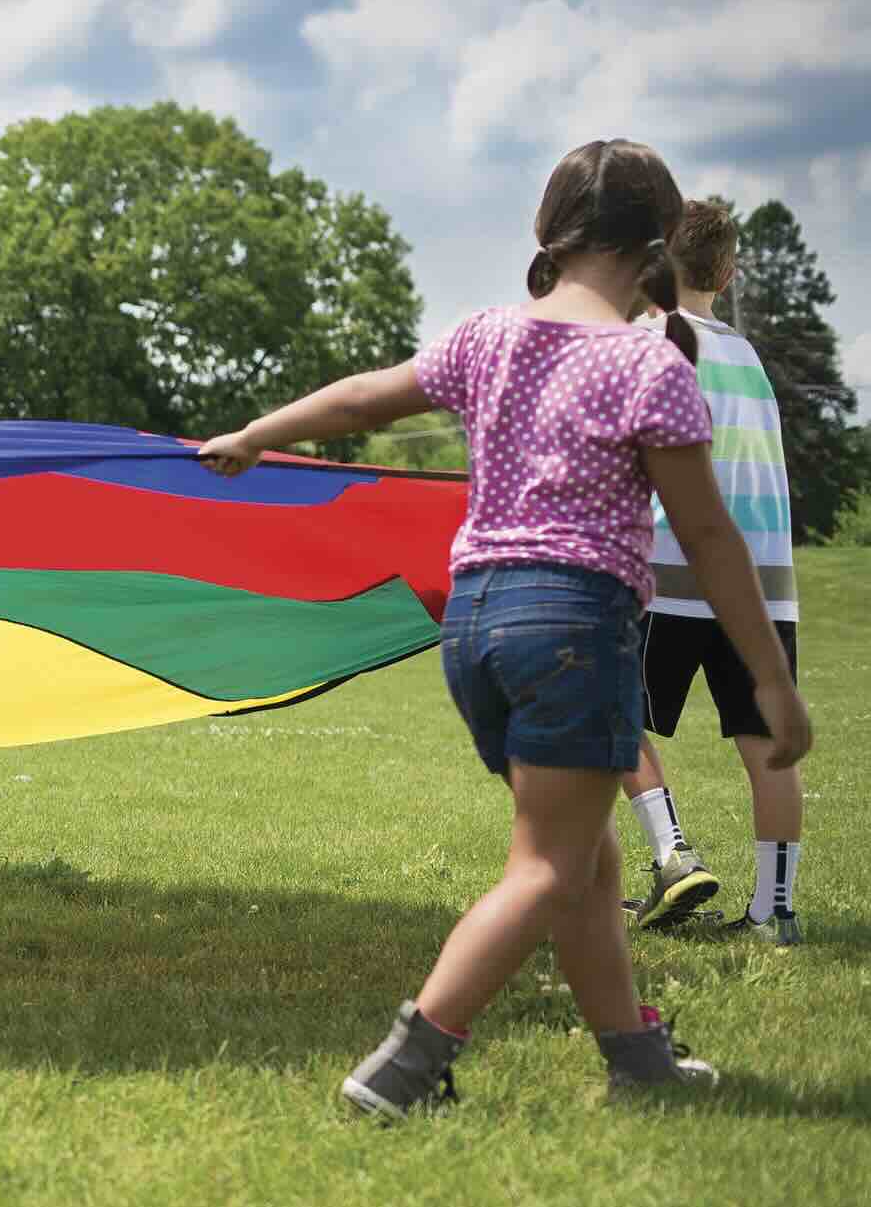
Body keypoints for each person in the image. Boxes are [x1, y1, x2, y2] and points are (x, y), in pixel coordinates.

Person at [197, 138, 810, 1116]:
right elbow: (706, 532)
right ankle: (405, 1063)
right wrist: (770, 677)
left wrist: (255, 434)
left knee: (591, 859)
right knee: (548, 865)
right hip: (572, 622)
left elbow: (365, 397)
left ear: (548, 230)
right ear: (656, 245)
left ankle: (636, 1060)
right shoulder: (649, 366)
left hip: (477, 624)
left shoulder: (490, 336)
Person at [618, 199, 804, 944]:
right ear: (725, 274)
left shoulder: (645, 342)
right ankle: (775, 913)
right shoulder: (750, 360)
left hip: (666, 568)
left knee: (610, 713)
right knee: (765, 748)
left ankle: (671, 855)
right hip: (761, 587)